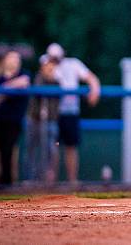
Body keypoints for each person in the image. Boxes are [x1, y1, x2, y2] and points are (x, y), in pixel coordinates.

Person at [45, 43, 100, 185]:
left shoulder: (73, 64)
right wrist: (50, 63)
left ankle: (72, 181)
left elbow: (91, 78)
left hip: (70, 112)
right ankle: (50, 183)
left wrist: (94, 90)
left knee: (71, 146)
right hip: (53, 114)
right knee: (53, 147)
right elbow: (47, 75)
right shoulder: (47, 64)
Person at [0, 50, 31, 187]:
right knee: (2, 149)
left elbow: (24, 82)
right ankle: (5, 178)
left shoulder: (24, 73)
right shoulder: (0, 77)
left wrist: (7, 88)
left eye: (17, 58)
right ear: (5, 61)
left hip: (16, 119)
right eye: (11, 58)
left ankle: (7, 180)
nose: (15, 61)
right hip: (1, 118)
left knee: (9, 148)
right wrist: (11, 86)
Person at [26, 54, 61, 183]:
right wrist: (46, 76)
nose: (50, 67)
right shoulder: (38, 78)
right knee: (31, 150)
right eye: (47, 65)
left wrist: (52, 77)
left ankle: (49, 179)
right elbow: (37, 90)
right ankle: (30, 180)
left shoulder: (57, 81)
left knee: (51, 149)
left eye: (52, 65)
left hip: (51, 121)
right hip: (35, 120)